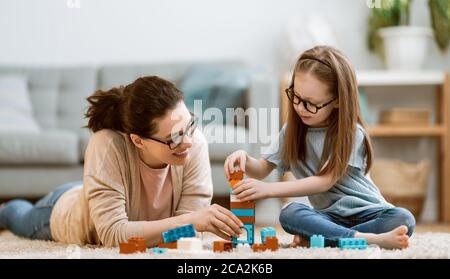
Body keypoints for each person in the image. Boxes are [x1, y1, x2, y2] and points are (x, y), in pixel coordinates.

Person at [0, 76, 243, 247]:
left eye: (189, 123)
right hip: (65, 210)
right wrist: (190, 221)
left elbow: (184, 238)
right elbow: (113, 234)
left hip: (98, 191)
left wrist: (190, 224)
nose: (188, 141)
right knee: (18, 216)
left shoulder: (194, 142)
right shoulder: (106, 145)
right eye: (174, 138)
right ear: (138, 141)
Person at [224, 46, 415, 249]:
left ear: (338, 102)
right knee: (290, 213)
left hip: (369, 212)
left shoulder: (352, 132)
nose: (299, 107)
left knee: (404, 219)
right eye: (295, 97)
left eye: (310, 103)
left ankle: (333, 237)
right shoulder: (291, 131)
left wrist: (269, 190)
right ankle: (359, 238)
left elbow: (324, 181)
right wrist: (245, 158)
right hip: (329, 218)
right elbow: (262, 169)